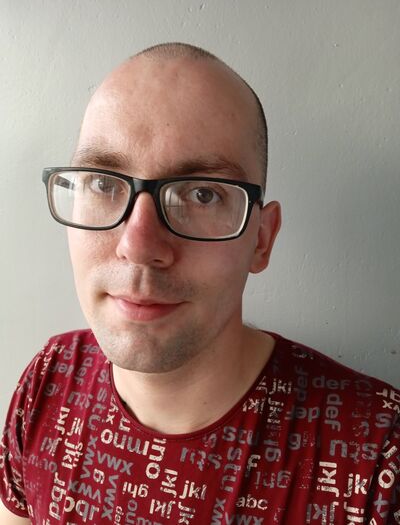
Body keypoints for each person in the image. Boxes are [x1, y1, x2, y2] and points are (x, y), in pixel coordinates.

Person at [1, 42, 399, 525]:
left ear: (261, 239)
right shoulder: (48, 379)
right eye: (104, 183)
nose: (139, 245)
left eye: (203, 194)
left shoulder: (379, 456)